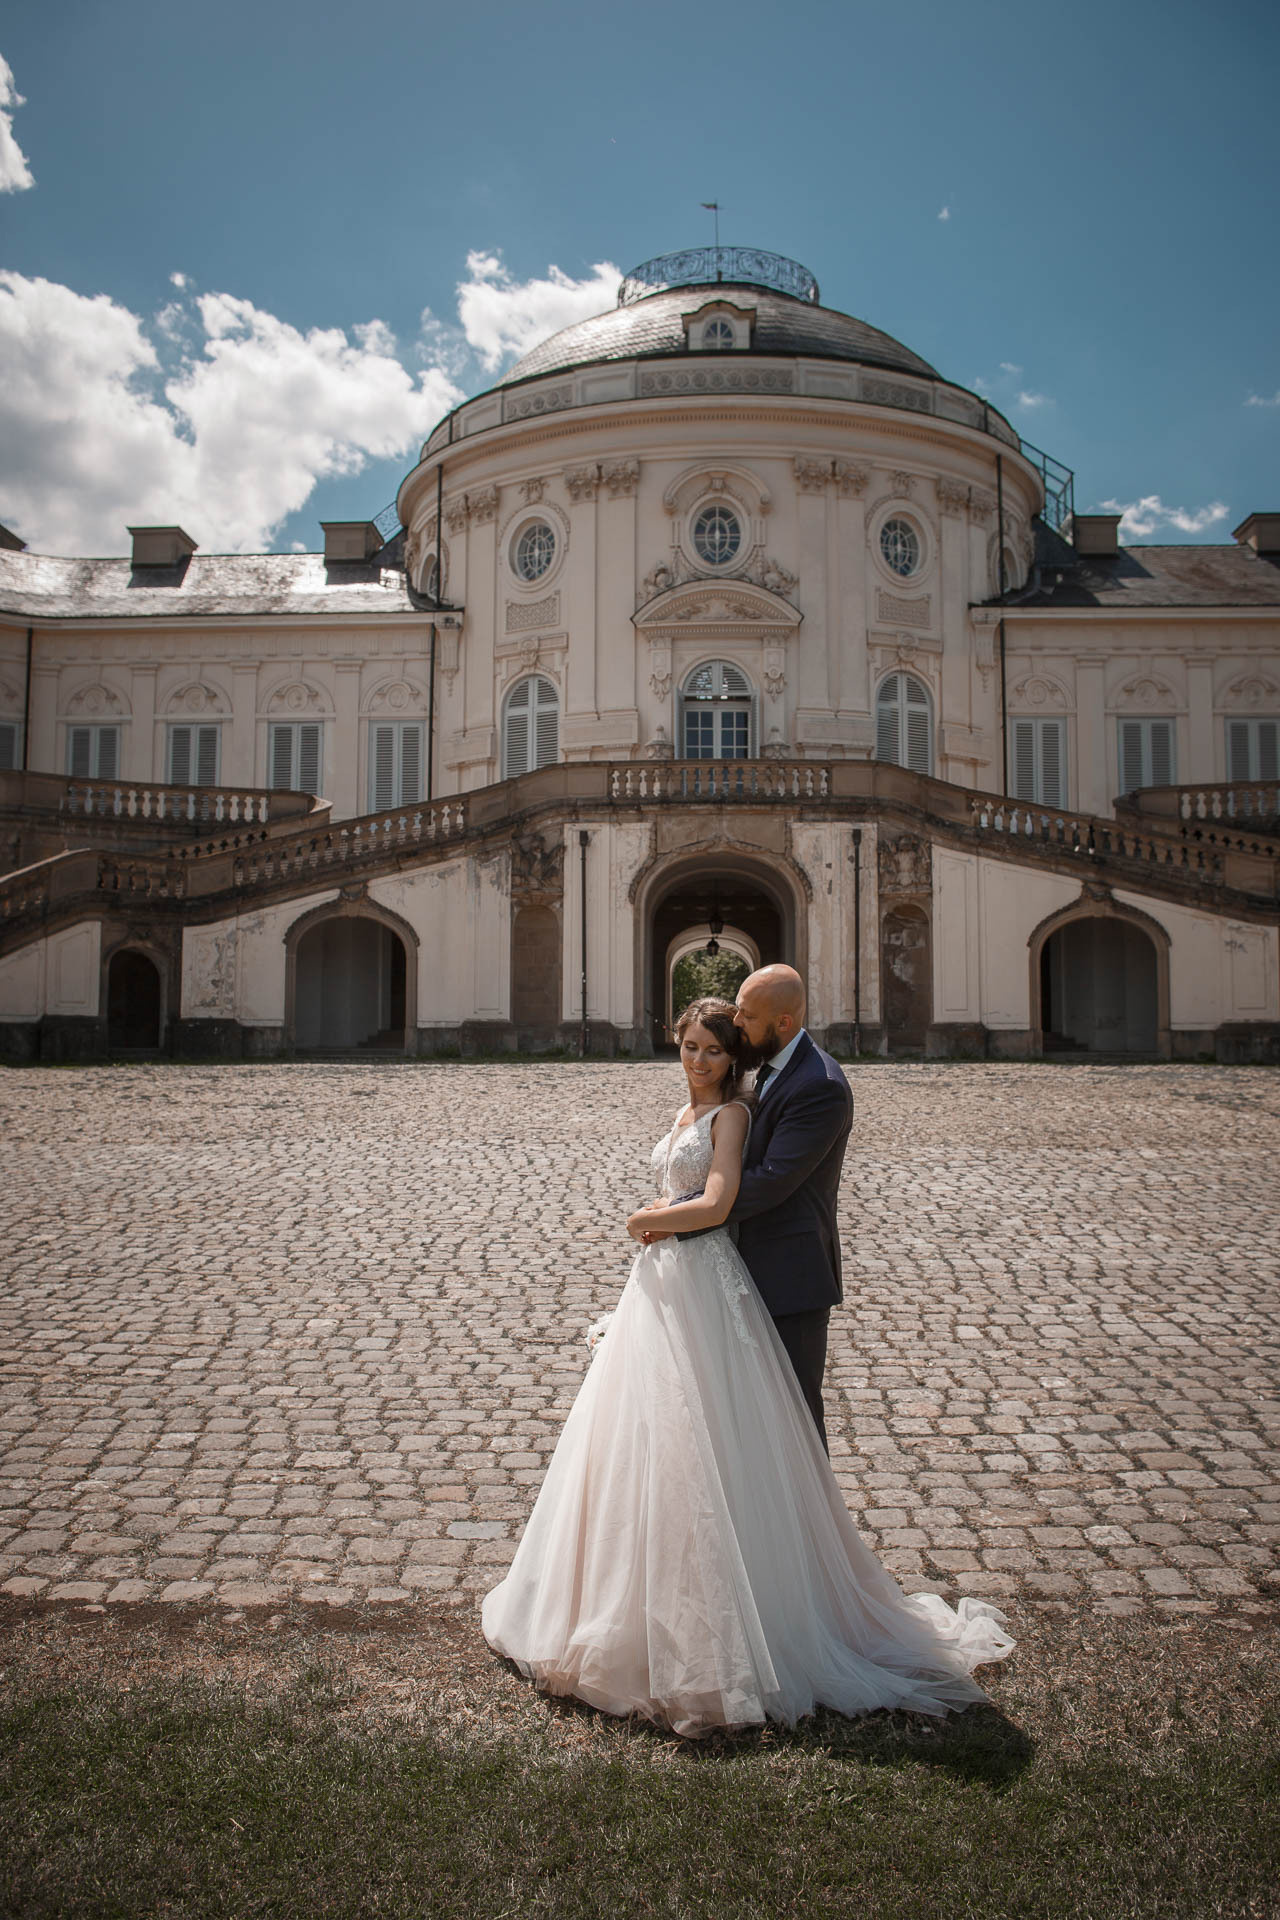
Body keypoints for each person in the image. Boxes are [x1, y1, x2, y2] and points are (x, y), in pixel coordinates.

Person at [481, 994, 1014, 1738]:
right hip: (664, 1285)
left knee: (728, 1438)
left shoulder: (740, 1111)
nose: (699, 1059)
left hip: (700, 1272)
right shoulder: (688, 1112)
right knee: (650, 1439)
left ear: (739, 1052)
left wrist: (651, 1219)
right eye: (690, 1045)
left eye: (714, 1048)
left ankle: (756, 1612)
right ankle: (638, 1596)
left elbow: (724, 1196)